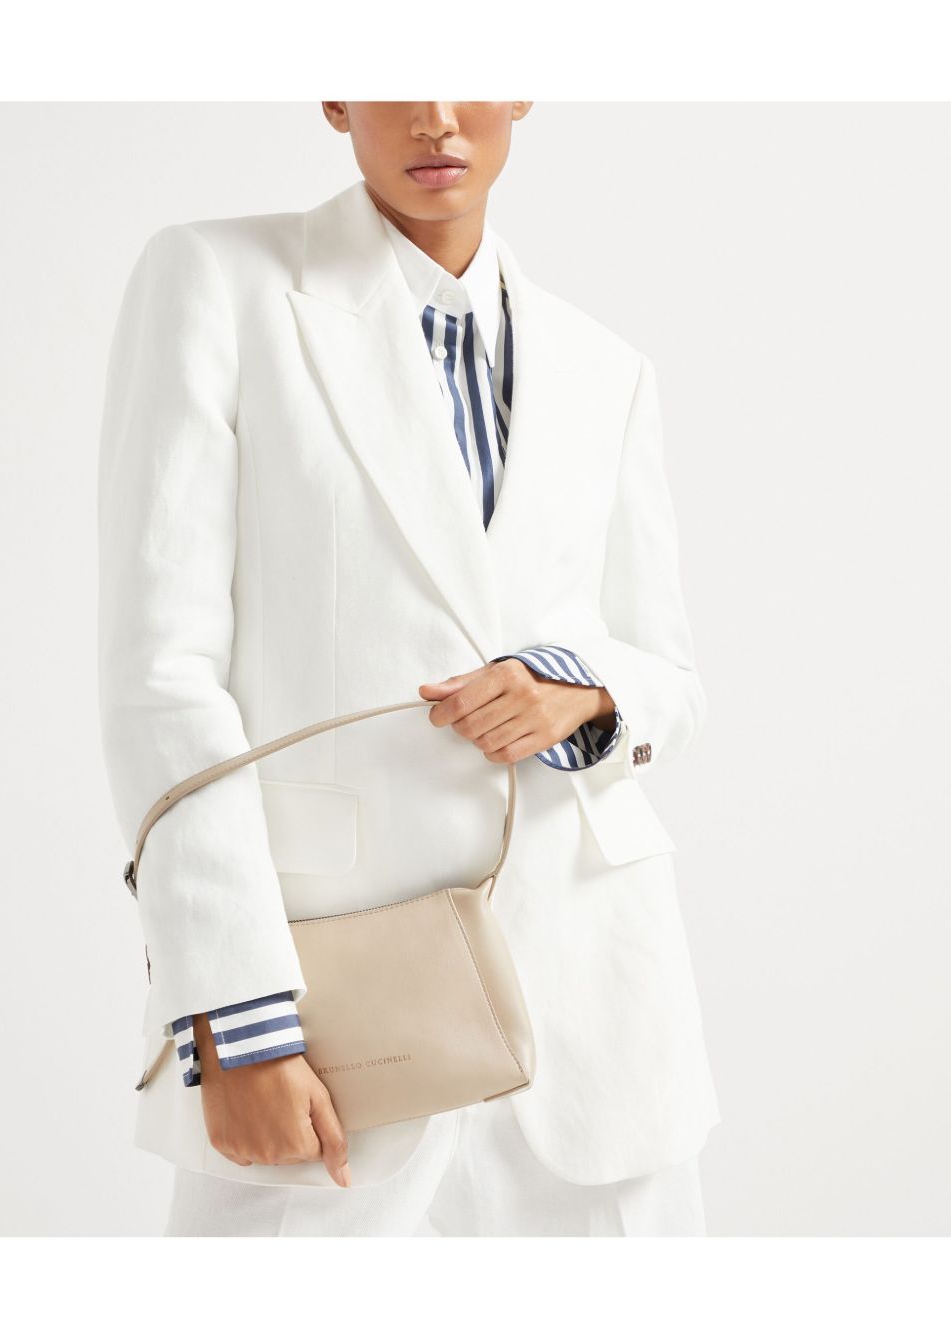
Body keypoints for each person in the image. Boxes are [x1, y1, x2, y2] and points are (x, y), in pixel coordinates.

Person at [97, 101, 720, 1237]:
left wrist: (580, 689)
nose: (435, 114)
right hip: (333, 1013)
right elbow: (162, 676)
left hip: (594, 1010)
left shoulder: (604, 366)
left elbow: (667, 674)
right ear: (334, 95)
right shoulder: (218, 286)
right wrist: (234, 1015)